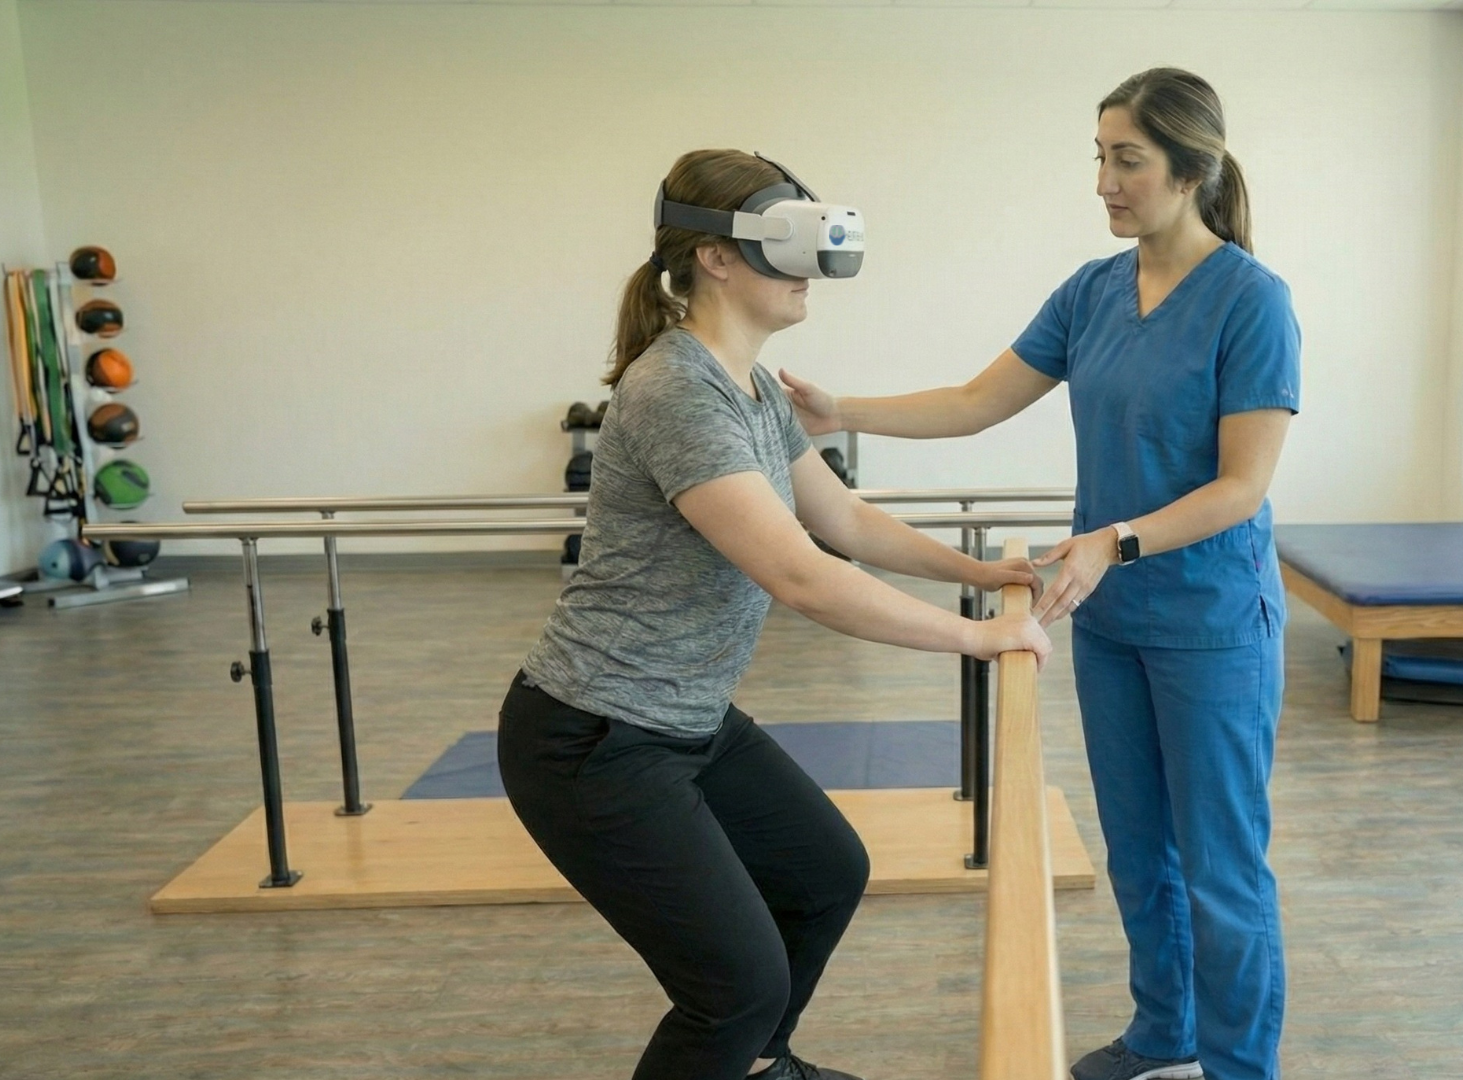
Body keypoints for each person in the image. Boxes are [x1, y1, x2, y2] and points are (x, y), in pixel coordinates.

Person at [781, 69, 1300, 1080]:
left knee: (1222, 873)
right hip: (1108, 623)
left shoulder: (1251, 300)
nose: (1104, 181)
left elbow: (1243, 485)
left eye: (1127, 160)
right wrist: (842, 411)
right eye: (1098, 157)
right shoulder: (1093, 291)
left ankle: (1242, 1067)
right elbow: (978, 400)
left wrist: (1115, 539)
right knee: (1139, 855)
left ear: (1190, 171)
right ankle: (1166, 1033)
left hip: (1210, 624)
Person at [497, 148, 1051, 1080]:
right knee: (734, 989)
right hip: (594, 735)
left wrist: (989, 574)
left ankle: (758, 1067)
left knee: (823, 874)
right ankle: (747, 1049)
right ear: (716, 257)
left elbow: (841, 520)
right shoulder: (676, 387)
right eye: (785, 240)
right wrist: (975, 636)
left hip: (688, 718)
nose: (810, 272)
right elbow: (801, 575)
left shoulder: (754, 388)